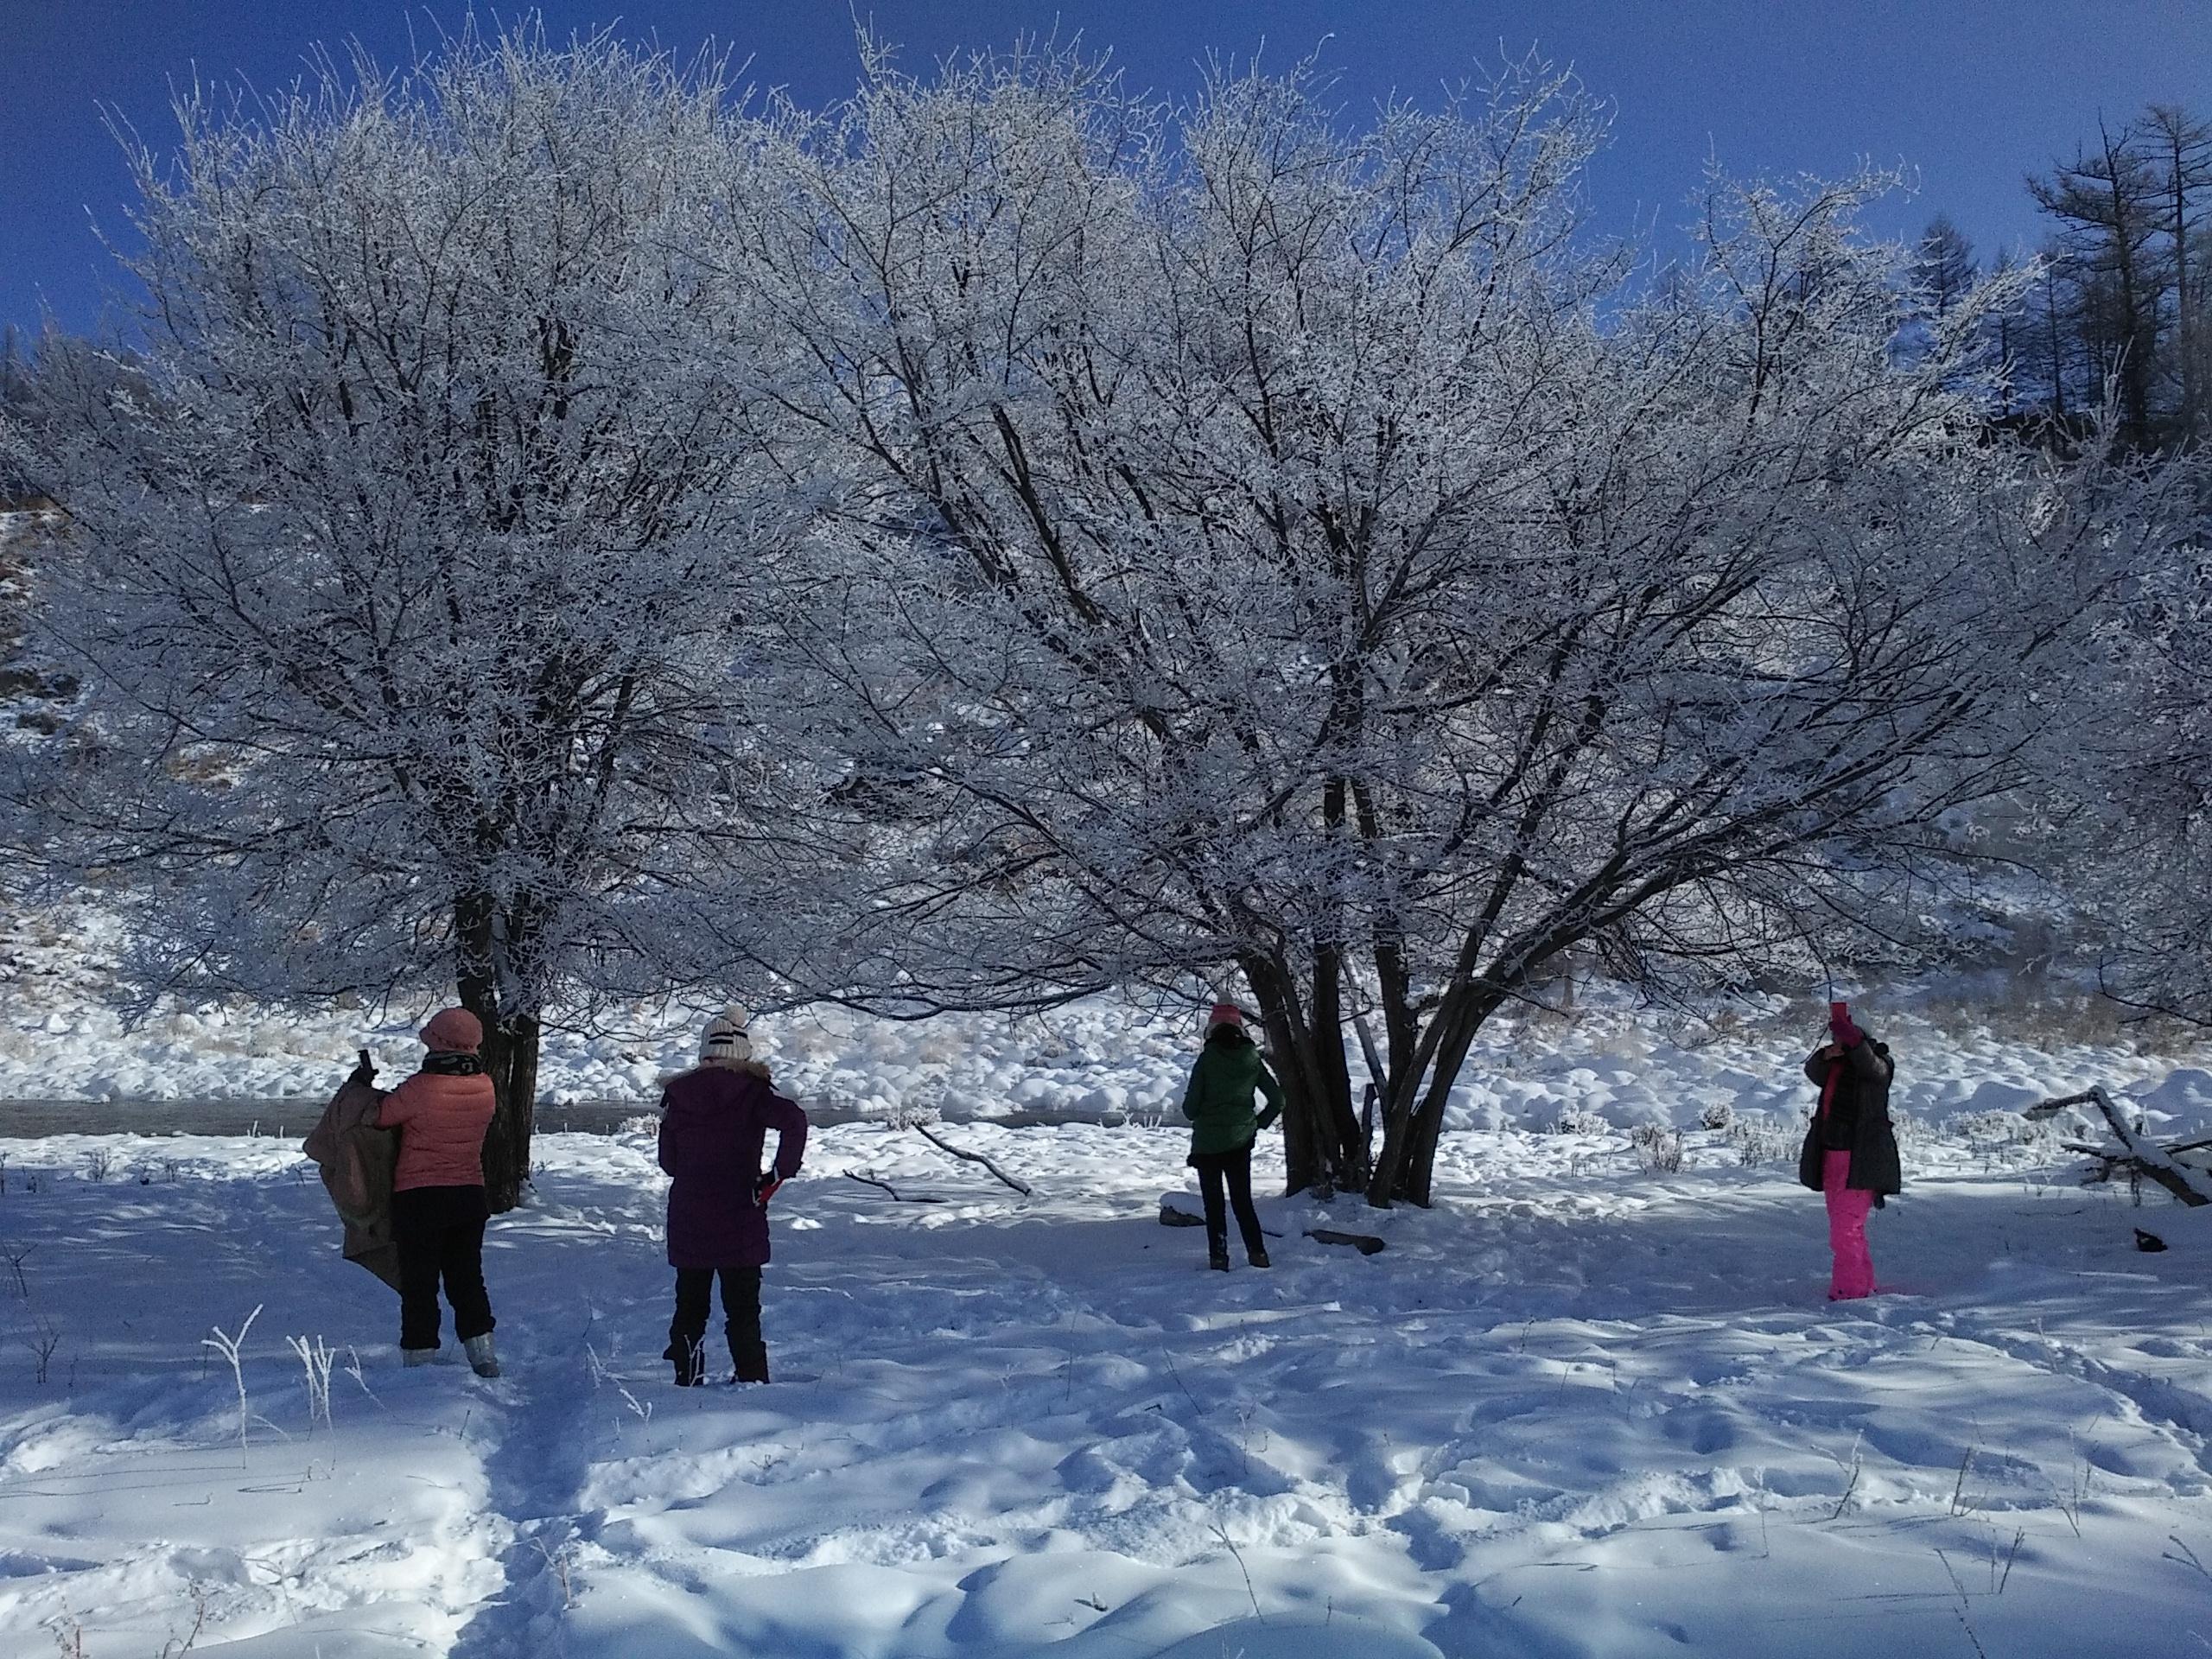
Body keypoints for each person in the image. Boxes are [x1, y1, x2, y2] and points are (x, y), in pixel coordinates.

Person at [658, 1007, 809, 1385]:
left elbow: (669, 1163)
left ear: (704, 1053)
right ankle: (752, 1379)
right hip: (742, 1211)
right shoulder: (754, 1094)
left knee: (690, 1307)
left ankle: (687, 1377)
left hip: (690, 1214)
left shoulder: (678, 1096)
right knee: (743, 1310)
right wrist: (777, 1175)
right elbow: (795, 1121)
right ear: (743, 1056)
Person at [375, 1007, 501, 1374]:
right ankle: (483, 1353)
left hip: (420, 1197)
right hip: (468, 1195)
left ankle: (420, 1356)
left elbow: (382, 1117)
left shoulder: (419, 1088)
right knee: (467, 1278)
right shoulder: (485, 1086)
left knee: (419, 1282)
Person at [1797, 999, 1902, 1301]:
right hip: (1833, 1155)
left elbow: (1872, 1066)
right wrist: (1826, 1054)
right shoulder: (1836, 1066)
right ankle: (1860, 1285)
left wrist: (1854, 1040)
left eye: (1847, 1038)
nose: (1841, 1043)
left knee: (1845, 1231)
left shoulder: (1880, 1064)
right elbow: (1813, 1071)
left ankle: (1850, 1293)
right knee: (1847, 1228)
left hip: (1861, 1160)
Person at [1180, 1001, 1285, 1271]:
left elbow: (1190, 1110)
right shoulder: (1252, 1060)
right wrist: (1256, 1124)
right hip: (1240, 1141)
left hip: (1207, 1144)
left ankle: (1219, 1257)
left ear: (1212, 1029)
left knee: (1213, 1205)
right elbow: (1277, 1100)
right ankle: (1258, 1254)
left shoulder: (1207, 1060)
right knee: (1243, 1201)